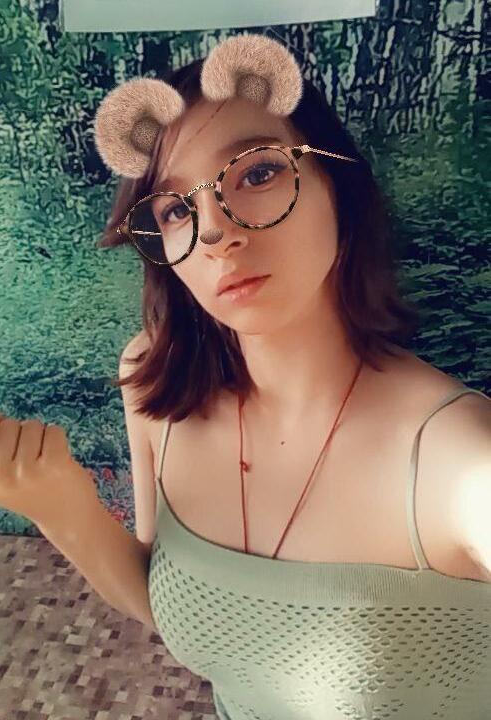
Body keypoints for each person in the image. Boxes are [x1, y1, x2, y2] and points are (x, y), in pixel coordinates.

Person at [95, 34, 490, 720]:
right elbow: (181, 607)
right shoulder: (155, 384)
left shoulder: (456, 462)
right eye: (177, 209)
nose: (215, 232)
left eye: (256, 174)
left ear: (339, 186)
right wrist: (58, 506)